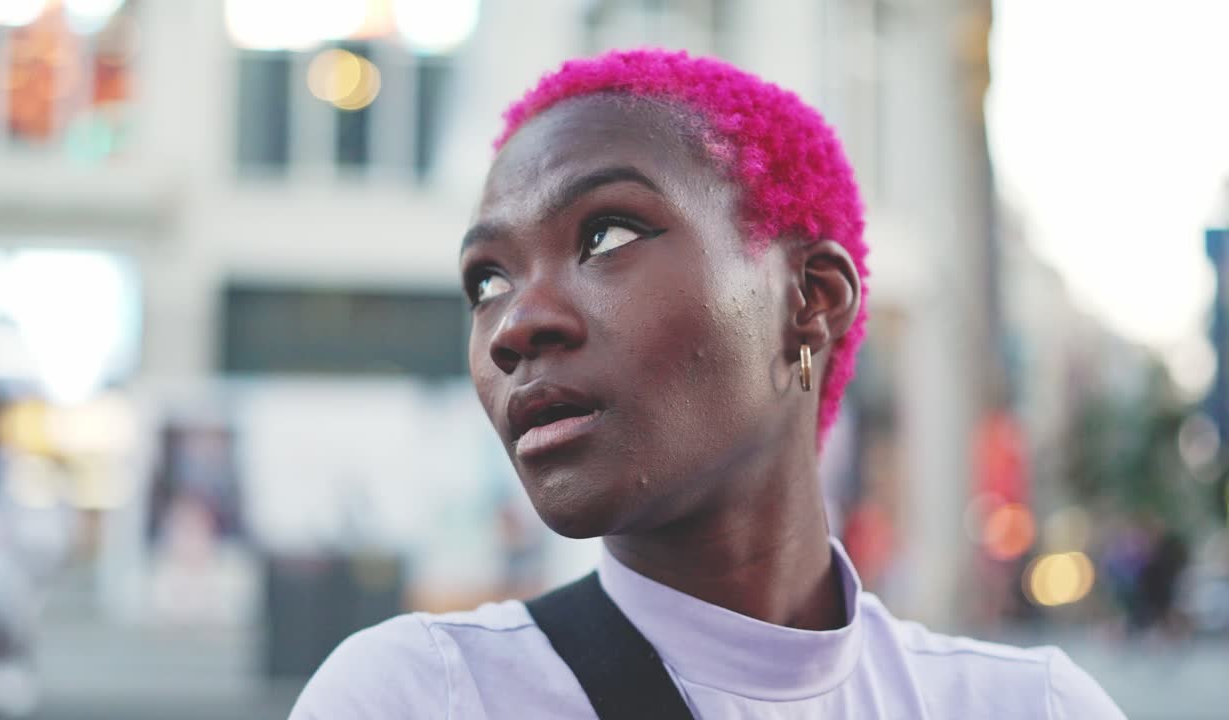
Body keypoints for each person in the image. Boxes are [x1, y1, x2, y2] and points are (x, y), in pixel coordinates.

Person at [289, 49, 1124, 719]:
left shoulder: (1031, 705)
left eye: (607, 234)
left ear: (811, 301)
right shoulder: (422, 695)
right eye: (487, 282)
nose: (514, 327)